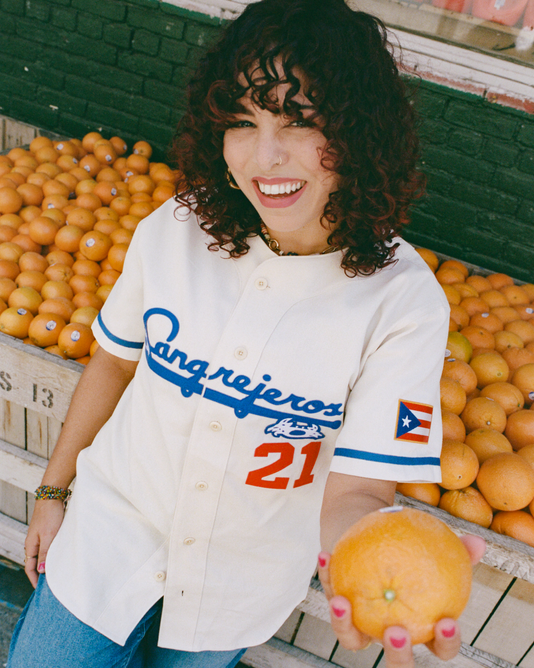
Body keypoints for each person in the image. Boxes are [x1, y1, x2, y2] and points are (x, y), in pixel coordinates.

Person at [7, 0, 485, 666]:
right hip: (107, 537)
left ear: (359, 133)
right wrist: (55, 493)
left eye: (301, 121)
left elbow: (358, 492)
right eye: (242, 121)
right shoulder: (177, 229)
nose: (266, 156)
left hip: (238, 582)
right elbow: (114, 364)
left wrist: (384, 555)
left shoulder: (403, 304)